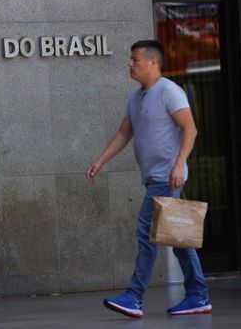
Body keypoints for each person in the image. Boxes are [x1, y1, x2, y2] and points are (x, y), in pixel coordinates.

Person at [86, 40, 211, 318]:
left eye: (134, 59)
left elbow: (190, 130)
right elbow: (123, 133)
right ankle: (198, 296)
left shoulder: (169, 91)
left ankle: (134, 296)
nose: (129, 64)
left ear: (152, 62)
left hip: (167, 178)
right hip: (155, 178)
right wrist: (100, 161)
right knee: (178, 239)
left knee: (147, 233)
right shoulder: (136, 97)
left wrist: (179, 165)